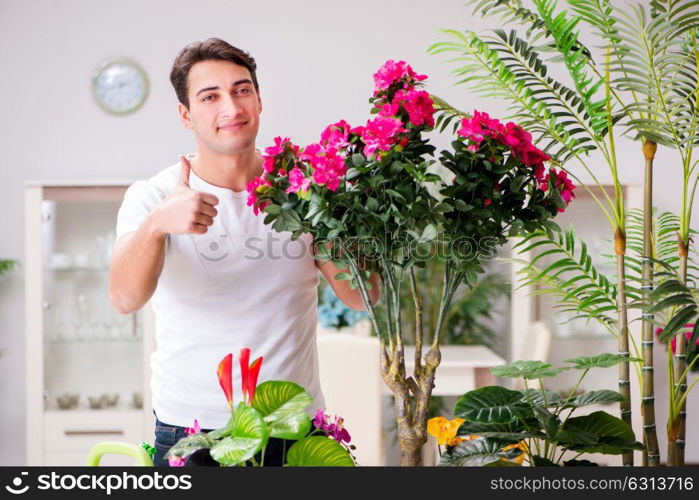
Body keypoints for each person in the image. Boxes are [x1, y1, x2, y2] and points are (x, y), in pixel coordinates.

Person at [108, 38, 381, 467]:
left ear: (258, 99)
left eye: (241, 90)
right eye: (210, 96)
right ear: (186, 114)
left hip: (294, 424)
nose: (231, 108)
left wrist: (330, 209)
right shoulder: (154, 196)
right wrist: (158, 225)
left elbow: (362, 296)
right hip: (193, 430)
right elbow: (124, 299)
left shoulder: (302, 188)